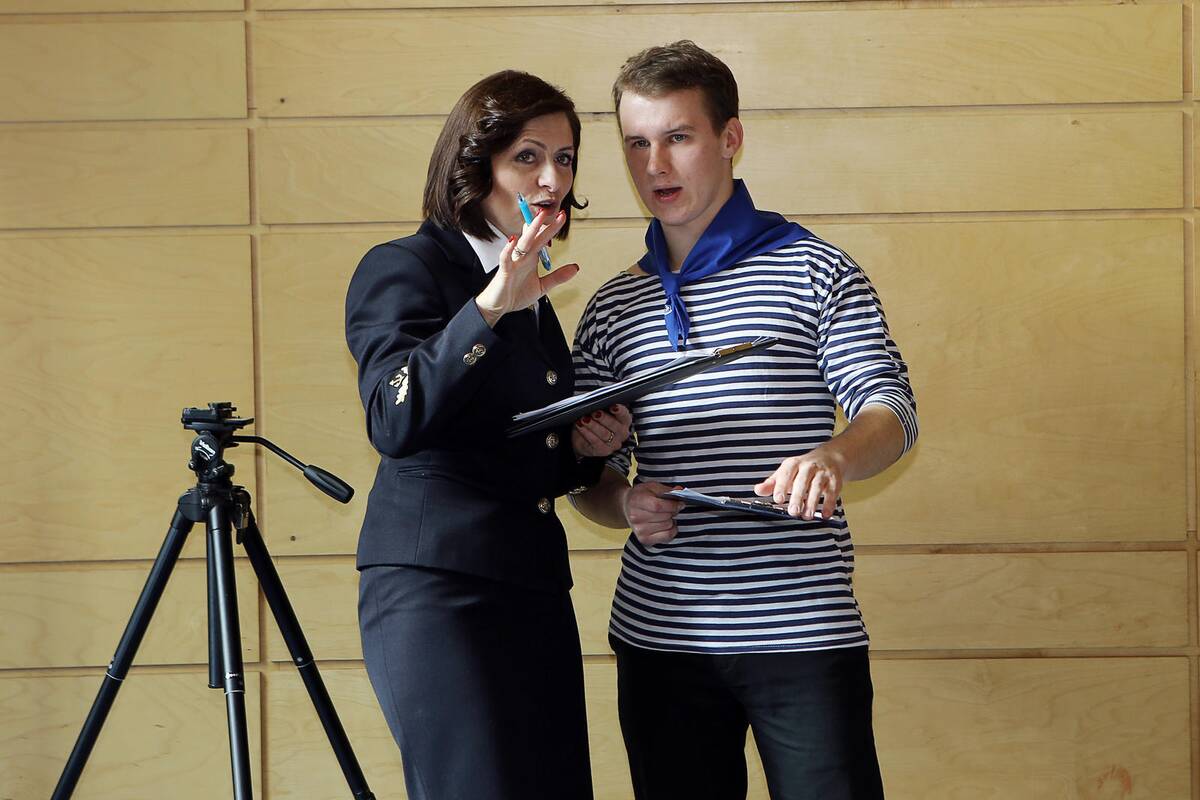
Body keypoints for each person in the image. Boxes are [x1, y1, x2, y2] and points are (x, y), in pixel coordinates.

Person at [570, 42, 918, 800]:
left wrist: (834, 457)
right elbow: (588, 479)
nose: (656, 165)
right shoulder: (611, 306)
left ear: (730, 138)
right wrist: (621, 499)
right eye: (636, 143)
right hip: (661, 639)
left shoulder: (817, 270)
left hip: (804, 633)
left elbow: (891, 412)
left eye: (678, 137)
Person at [345, 70, 631, 800]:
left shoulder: (531, 292)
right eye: (528, 157)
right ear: (476, 167)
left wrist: (583, 449)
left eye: (565, 158)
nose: (552, 179)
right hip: (437, 589)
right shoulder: (405, 266)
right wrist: (490, 305)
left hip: (532, 586)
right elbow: (393, 418)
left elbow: (512, 447)